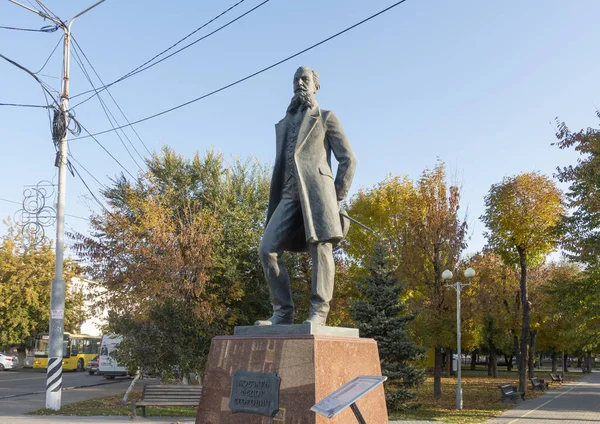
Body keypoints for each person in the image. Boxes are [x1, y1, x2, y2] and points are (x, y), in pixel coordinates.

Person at [256, 66, 356, 326]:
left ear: (315, 86)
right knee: (267, 249)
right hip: (288, 194)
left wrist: (336, 197)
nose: (300, 83)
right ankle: (282, 312)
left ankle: (319, 311)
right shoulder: (286, 122)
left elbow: (348, 160)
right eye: (296, 79)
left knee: (321, 249)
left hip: (318, 195)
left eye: (305, 79)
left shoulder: (326, 118)